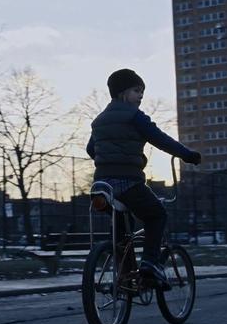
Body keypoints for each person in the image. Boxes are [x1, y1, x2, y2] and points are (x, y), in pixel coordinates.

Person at [86, 68, 202, 288]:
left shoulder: (99, 121)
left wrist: (109, 161)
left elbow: (91, 149)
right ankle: (150, 264)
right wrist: (187, 155)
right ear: (122, 92)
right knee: (156, 215)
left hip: (101, 187)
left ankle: (125, 276)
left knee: (120, 235)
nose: (141, 96)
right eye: (137, 90)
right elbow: (160, 139)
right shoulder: (134, 116)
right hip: (128, 182)